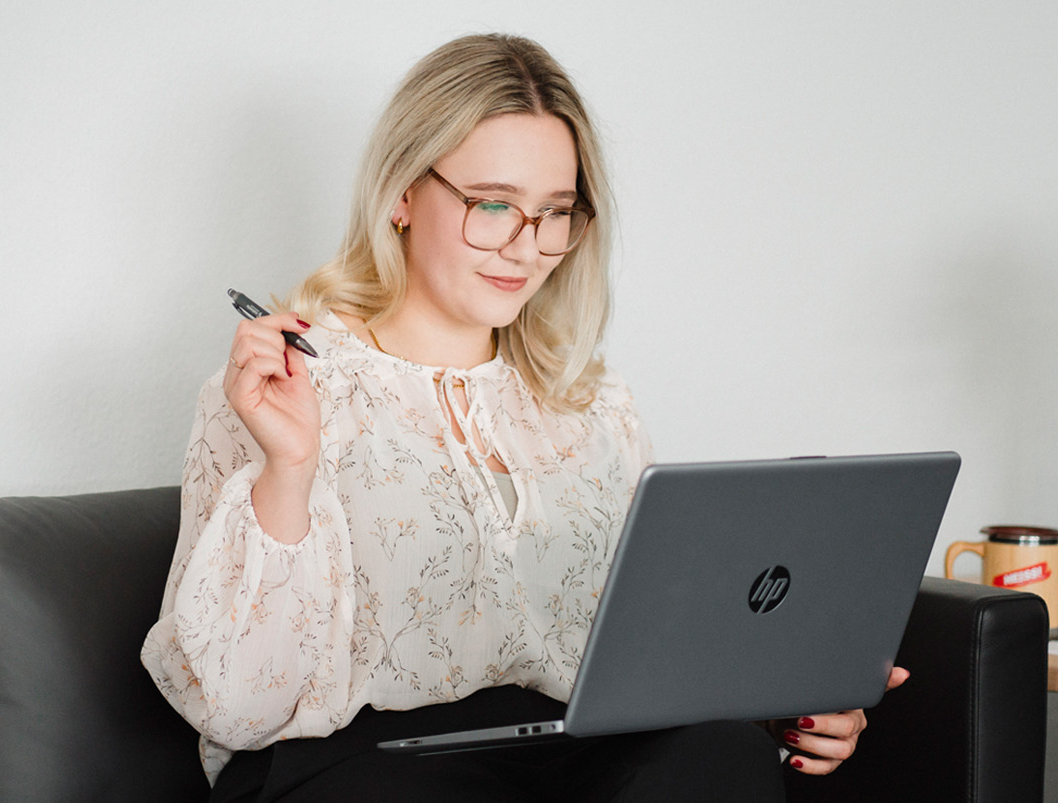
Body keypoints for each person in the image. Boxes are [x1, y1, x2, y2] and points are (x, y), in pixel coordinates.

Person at [142, 33, 907, 802]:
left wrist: (781, 698)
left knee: (716, 757)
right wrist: (290, 469)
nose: (526, 247)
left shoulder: (594, 406)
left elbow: (649, 652)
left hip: (566, 753)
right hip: (362, 769)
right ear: (401, 193)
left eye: (554, 213)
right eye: (494, 204)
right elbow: (240, 709)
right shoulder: (281, 389)